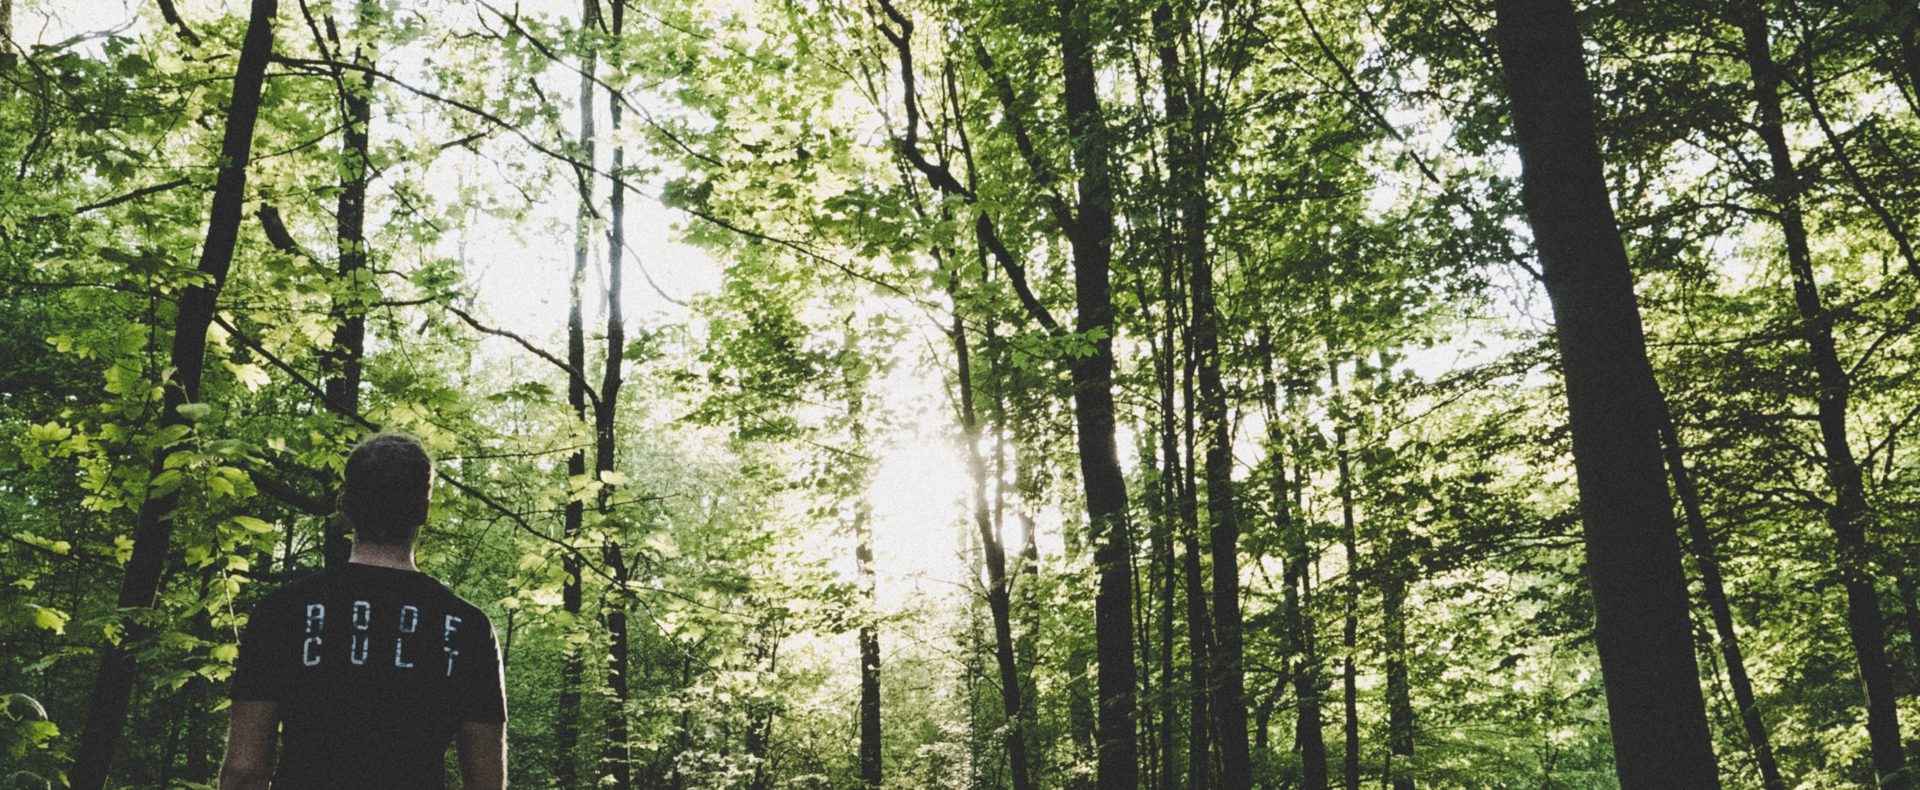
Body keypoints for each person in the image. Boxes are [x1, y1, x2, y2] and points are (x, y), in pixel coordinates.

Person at [219, 433, 507, 789]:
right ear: (423, 510)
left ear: (346, 505)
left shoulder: (281, 612)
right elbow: (486, 782)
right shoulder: (469, 627)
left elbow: (245, 770)